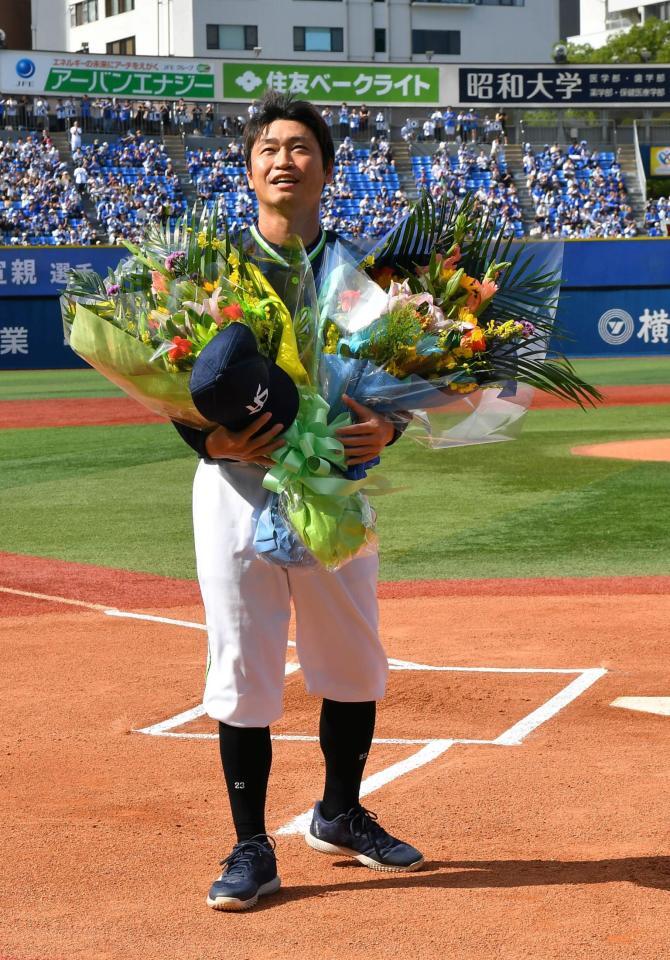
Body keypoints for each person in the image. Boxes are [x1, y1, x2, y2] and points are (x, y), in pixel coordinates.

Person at [173, 90, 423, 912]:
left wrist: (386, 431)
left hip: (337, 490)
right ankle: (252, 845)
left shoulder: (361, 277)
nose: (284, 158)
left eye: (301, 147)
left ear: (325, 166)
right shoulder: (212, 271)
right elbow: (171, 379)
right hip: (238, 487)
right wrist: (209, 441)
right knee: (242, 662)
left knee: (351, 658)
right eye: (269, 148)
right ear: (250, 170)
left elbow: (399, 381)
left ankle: (340, 814)